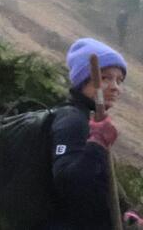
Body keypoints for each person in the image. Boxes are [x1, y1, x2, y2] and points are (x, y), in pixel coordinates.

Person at [48, 38, 139, 229]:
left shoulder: (89, 121)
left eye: (119, 80)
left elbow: (99, 183)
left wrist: (126, 212)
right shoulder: (72, 120)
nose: (115, 87)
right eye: (105, 78)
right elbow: (68, 182)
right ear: (83, 81)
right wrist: (97, 142)